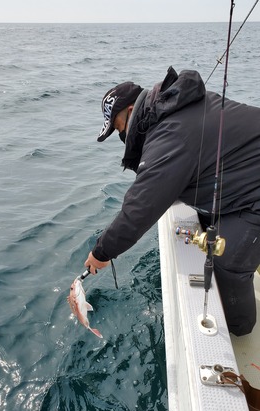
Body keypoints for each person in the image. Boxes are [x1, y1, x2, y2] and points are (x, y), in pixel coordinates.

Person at [84, 66, 260, 336]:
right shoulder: (175, 111)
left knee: (228, 260)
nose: (123, 138)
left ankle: (239, 331)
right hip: (247, 179)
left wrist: (101, 253)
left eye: (120, 129)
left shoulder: (169, 133)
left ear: (132, 112)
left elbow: (140, 208)